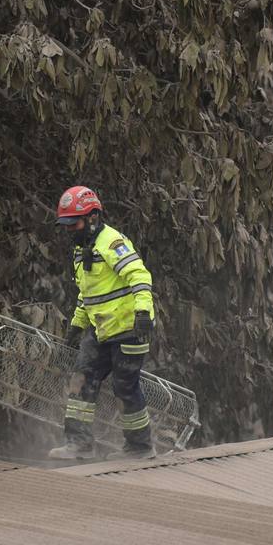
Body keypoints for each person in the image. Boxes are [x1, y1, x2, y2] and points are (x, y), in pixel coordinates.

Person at [47, 185, 156, 459]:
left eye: (75, 223)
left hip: (129, 329)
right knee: (81, 380)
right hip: (100, 330)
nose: (70, 230)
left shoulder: (111, 242)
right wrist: (76, 324)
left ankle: (140, 447)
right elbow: (89, 293)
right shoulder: (82, 249)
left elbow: (139, 275)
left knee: (125, 387)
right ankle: (78, 444)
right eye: (66, 225)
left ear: (93, 217)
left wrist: (143, 313)